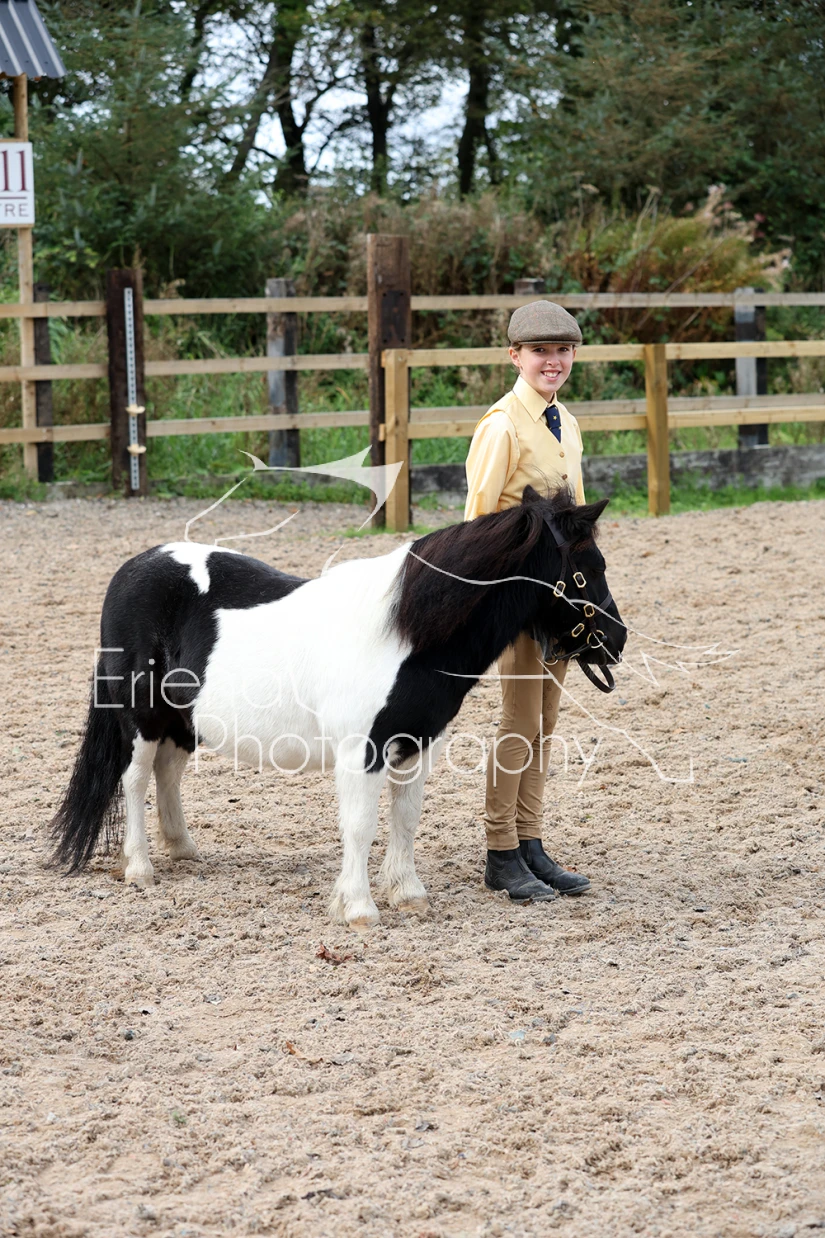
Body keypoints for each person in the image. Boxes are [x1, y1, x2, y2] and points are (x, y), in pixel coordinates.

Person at [464, 300, 592, 903]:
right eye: (540, 351)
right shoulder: (502, 426)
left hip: (559, 599)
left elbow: (576, 520)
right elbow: (478, 522)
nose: (553, 361)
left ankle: (531, 840)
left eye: (563, 350)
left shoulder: (567, 421)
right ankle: (500, 850)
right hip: (516, 598)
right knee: (518, 720)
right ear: (515, 356)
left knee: (546, 721)